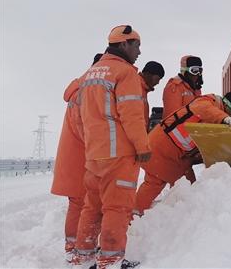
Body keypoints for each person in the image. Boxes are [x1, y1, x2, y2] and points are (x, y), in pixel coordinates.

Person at [72, 25, 151, 269]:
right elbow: (132, 115)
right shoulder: (125, 73)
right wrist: (142, 145)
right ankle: (110, 259)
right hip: (119, 155)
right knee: (118, 207)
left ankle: (83, 255)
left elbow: (77, 115)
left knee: (92, 207)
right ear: (124, 44)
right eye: (137, 45)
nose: (139, 52)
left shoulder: (91, 73)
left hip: (95, 155)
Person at [134, 92, 231, 215]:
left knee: (165, 184)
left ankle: (136, 213)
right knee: (185, 189)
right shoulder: (209, 102)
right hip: (164, 150)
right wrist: (224, 118)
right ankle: (174, 216)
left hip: (173, 155)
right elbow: (201, 108)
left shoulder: (216, 116)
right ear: (228, 105)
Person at [50, 53, 102, 263]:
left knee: (81, 202)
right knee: (79, 202)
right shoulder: (83, 91)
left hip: (78, 156)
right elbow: (84, 128)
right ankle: (74, 247)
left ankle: (77, 245)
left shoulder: (82, 88)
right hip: (80, 157)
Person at [162, 55, 202, 119]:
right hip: (177, 127)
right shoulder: (175, 86)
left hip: (192, 127)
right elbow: (172, 116)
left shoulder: (196, 89)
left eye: (200, 71)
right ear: (185, 71)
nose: (197, 74)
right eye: (194, 70)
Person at [140, 61, 165, 129]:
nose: (158, 82)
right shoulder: (136, 88)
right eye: (157, 79)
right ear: (148, 74)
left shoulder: (142, 90)